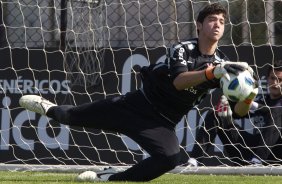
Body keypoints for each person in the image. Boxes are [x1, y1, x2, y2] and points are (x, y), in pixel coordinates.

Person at [19, 3, 257, 182]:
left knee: (169, 159)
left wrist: (248, 95)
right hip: (134, 106)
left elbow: (238, 112)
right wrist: (212, 73)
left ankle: (110, 178)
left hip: (162, 124)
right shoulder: (184, 49)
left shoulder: (223, 64)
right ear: (199, 25)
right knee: (70, 117)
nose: (217, 25)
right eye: (212, 20)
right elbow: (178, 82)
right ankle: (47, 107)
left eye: (222, 22)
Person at [188, 60, 282, 167]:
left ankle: (258, 162)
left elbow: (273, 110)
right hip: (252, 153)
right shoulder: (263, 99)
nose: (275, 83)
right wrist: (233, 102)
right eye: (273, 78)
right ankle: (193, 161)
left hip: (277, 154)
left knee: (277, 112)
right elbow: (239, 113)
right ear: (267, 79)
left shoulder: (271, 105)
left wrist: (252, 104)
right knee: (218, 113)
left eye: (280, 79)